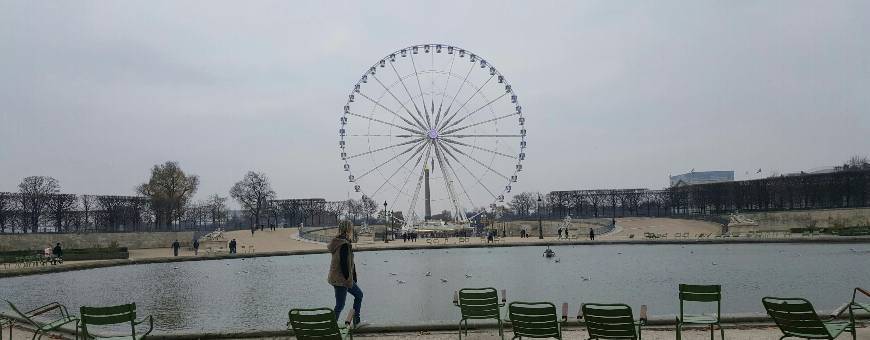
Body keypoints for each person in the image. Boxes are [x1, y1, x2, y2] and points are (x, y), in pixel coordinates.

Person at [328, 220, 362, 327]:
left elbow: (350, 262)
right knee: (340, 305)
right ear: (348, 229)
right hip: (341, 280)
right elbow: (344, 264)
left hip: (339, 278)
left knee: (359, 295)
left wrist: (354, 277)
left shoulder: (340, 241)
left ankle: (356, 321)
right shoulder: (343, 244)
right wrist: (349, 279)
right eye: (351, 228)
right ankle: (332, 327)